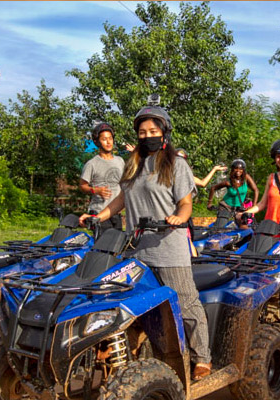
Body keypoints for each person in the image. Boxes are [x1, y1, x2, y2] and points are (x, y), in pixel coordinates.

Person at [79, 97, 212, 380]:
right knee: (132, 305)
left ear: (164, 132)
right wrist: (98, 217)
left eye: (153, 131)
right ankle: (135, 357)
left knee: (186, 302)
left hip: (168, 246)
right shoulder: (133, 164)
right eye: (142, 132)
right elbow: (121, 200)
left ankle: (202, 357)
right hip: (137, 249)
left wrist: (179, 217)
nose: (147, 136)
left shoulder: (175, 164)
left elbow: (186, 203)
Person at [79, 121, 125, 233]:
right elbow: (82, 186)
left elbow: (124, 183)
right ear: (97, 142)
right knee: (102, 247)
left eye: (110, 138)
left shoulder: (120, 161)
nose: (108, 142)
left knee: (116, 247)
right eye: (104, 139)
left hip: (115, 212)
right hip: (98, 211)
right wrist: (96, 190)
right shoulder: (92, 164)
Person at [207, 158, 259, 228]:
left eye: (240, 169)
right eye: (236, 168)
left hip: (239, 208)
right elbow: (213, 188)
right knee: (219, 228)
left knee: (244, 229)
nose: (238, 171)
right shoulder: (228, 182)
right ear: (232, 170)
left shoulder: (246, 178)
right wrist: (209, 203)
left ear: (243, 170)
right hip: (226, 207)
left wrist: (254, 206)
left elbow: (256, 190)